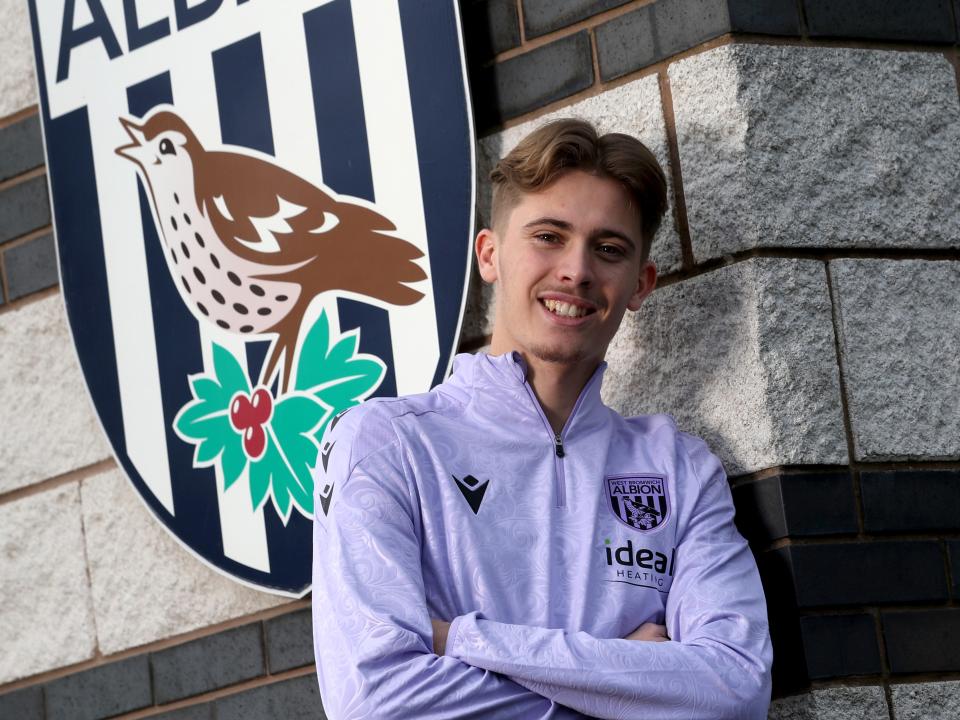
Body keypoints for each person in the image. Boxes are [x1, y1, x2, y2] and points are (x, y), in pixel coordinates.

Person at [311, 119, 773, 719]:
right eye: (549, 236)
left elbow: (734, 692)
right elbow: (379, 703)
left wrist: (461, 639)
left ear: (641, 283)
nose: (576, 270)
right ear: (490, 255)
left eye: (608, 249)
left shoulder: (679, 469)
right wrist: (619, 674)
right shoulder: (385, 443)